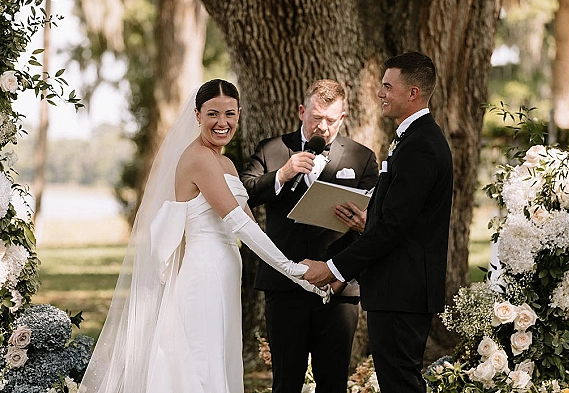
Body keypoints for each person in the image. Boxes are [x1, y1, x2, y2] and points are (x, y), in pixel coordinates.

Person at [80, 79, 330, 393]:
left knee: (220, 359)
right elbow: (239, 224)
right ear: (197, 115)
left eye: (229, 114)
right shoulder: (198, 158)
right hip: (204, 274)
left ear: (239, 114)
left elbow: (252, 227)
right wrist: (295, 271)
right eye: (212, 114)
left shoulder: (224, 162)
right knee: (200, 364)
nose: (222, 122)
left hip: (225, 273)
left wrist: (297, 270)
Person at [302, 52, 454, 393]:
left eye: (388, 86)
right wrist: (367, 222)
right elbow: (398, 219)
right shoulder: (413, 140)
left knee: (401, 384)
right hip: (396, 289)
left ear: (412, 93)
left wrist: (333, 269)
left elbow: (393, 229)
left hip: (402, 291)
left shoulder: (421, 146)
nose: (380, 94)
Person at [240, 79, 379, 393]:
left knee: (333, 382)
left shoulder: (362, 157)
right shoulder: (272, 149)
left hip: (338, 289)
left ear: (342, 118)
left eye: (331, 120)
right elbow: (242, 193)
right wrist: (283, 174)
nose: (323, 126)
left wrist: (360, 229)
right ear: (302, 111)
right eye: (316, 117)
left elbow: (377, 225)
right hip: (284, 284)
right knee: (286, 381)